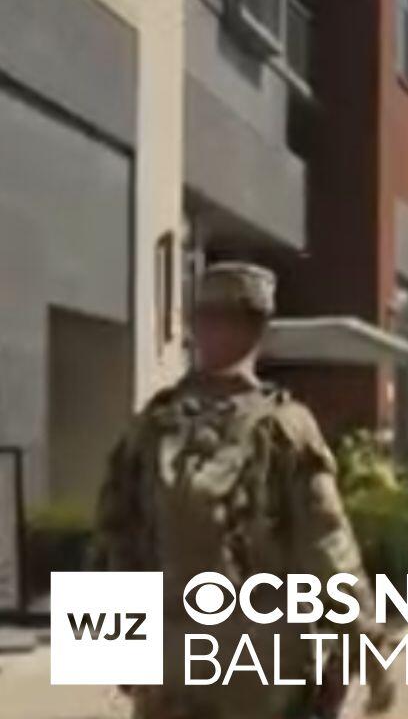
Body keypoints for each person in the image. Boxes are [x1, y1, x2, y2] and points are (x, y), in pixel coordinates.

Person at [92, 262, 392, 719]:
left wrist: (116, 653)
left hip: (171, 665)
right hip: (261, 671)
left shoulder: (152, 425)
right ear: (261, 330)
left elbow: (110, 538)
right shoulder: (287, 426)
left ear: (196, 325)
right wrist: (369, 648)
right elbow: (329, 548)